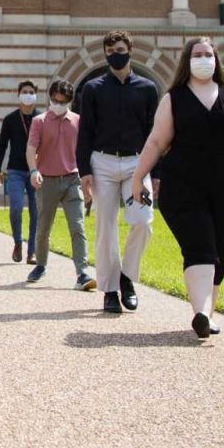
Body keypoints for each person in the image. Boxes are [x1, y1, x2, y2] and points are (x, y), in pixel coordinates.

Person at [133, 39, 224, 340]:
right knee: (201, 247)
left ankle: (207, 312)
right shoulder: (174, 99)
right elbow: (156, 142)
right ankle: (201, 312)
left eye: (208, 55)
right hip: (183, 187)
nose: (204, 59)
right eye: (197, 55)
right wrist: (137, 177)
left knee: (221, 250)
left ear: (217, 60)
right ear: (187, 61)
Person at [77, 31, 160, 315]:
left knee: (143, 221)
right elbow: (85, 132)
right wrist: (84, 171)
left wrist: (156, 173)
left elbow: (155, 135)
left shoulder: (148, 88)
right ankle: (110, 290)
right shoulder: (93, 88)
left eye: (120, 49)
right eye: (110, 50)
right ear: (105, 54)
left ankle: (126, 277)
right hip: (103, 163)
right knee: (105, 228)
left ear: (130, 50)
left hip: (139, 164)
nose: (116, 53)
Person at [25, 80, 95, 291]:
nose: (57, 104)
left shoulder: (78, 121)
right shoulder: (39, 121)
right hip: (47, 180)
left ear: (69, 102)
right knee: (43, 228)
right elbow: (31, 148)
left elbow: (85, 152)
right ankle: (41, 265)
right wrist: (33, 170)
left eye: (62, 102)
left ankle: (82, 273)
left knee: (78, 226)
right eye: (54, 100)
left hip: (73, 179)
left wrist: (88, 181)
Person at [0, 81, 42, 263]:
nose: (28, 94)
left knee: (36, 211)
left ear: (36, 94)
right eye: (24, 92)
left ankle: (32, 251)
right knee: (15, 208)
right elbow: (2, 145)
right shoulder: (10, 119)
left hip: (36, 171)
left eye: (31, 92)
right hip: (15, 170)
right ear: (18, 94)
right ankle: (17, 242)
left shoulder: (41, 118)